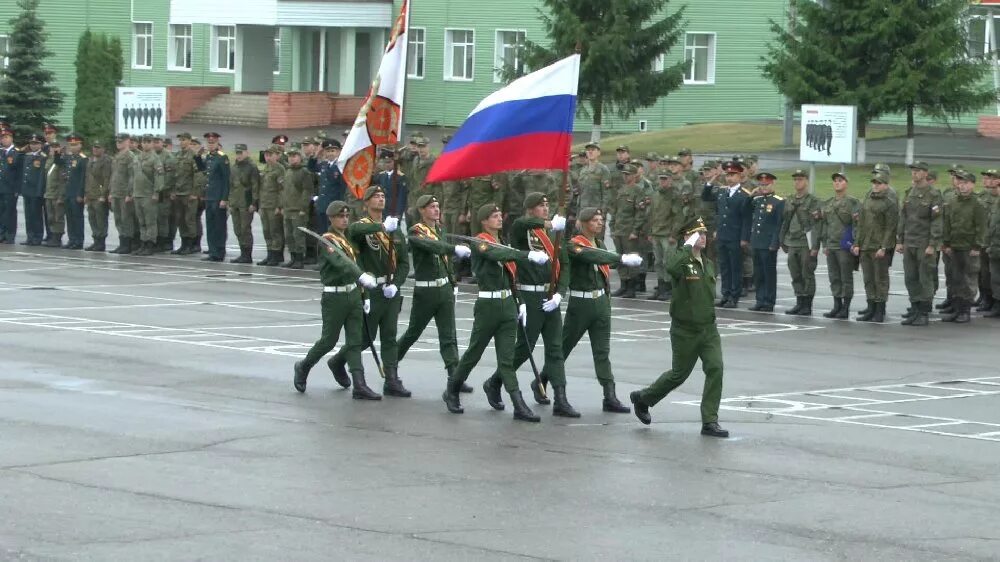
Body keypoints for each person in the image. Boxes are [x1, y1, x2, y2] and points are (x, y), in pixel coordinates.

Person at [443, 204, 552, 421]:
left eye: (500, 215)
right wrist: (527, 255)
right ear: (484, 221)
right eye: (494, 217)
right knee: (474, 353)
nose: (499, 219)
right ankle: (452, 389)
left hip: (507, 305)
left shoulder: (502, 242)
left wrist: (519, 301)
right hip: (488, 307)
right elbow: (495, 254)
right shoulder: (481, 242)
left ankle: (518, 404)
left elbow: (512, 277)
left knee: (506, 358)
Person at [630, 218, 729, 438]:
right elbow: (671, 268)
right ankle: (643, 398)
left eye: (704, 233)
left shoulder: (708, 263)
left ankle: (710, 421)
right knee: (679, 375)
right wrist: (686, 246)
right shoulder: (681, 260)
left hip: (708, 329)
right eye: (697, 233)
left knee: (716, 368)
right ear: (687, 237)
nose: (703, 237)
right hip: (685, 330)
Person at [483, 193, 578, 417]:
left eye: (547, 205)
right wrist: (548, 223)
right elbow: (520, 222)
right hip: (530, 296)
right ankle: (495, 381)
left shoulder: (554, 233)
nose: (545, 209)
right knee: (524, 348)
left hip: (550, 297)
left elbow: (564, 265)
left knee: (555, 349)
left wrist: (560, 294)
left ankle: (561, 399)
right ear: (530, 209)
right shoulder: (522, 229)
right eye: (540, 206)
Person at [327, 186, 411, 397]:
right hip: (371, 289)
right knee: (365, 337)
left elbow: (403, 263)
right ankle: (338, 361)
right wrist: (382, 227)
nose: (381, 199)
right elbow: (353, 232)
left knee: (390, 336)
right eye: (376, 196)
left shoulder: (395, 230)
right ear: (366, 203)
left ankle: (392, 379)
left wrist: (397, 283)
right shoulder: (361, 228)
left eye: (383, 196)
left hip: (390, 290)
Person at [555, 207, 641, 413]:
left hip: (600, 302)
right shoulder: (574, 244)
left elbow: (600, 257)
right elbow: (592, 256)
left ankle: (609, 395)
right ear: (584, 223)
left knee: (602, 351)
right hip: (581, 304)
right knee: (564, 348)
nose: (600, 223)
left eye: (601, 220)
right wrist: (620, 258)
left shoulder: (600, 243)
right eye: (595, 220)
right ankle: (543, 380)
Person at [293, 201, 381, 397]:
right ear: (331, 218)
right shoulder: (327, 241)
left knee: (355, 341)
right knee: (328, 341)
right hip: (335, 297)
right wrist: (361, 276)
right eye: (340, 216)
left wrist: (364, 295)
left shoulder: (347, 239)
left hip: (353, 294)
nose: (344, 220)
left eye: (346, 216)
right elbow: (341, 263)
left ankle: (360, 384)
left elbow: (355, 260)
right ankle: (304, 366)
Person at [396, 195, 474, 392]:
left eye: (438, 206)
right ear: (422, 210)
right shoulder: (416, 231)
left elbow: (444, 260)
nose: (436, 210)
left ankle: (454, 376)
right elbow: (434, 247)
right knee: (413, 332)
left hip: (444, 288)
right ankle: (390, 365)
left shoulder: (439, 229)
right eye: (431, 207)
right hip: (427, 290)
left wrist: (451, 280)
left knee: (449, 335)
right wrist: (454, 248)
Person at [896, 162, 944, 326]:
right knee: (911, 277)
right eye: (913, 171)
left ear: (925, 173)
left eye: (917, 171)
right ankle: (915, 309)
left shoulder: (934, 194)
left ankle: (923, 312)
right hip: (910, 242)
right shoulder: (909, 192)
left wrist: (932, 244)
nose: (914, 174)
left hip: (924, 243)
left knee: (925, 278)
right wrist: (900, 240)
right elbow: (904, 217)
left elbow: (937, 221)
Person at [940, 170, 987, 323]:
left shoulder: (978, 203)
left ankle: (965, 311)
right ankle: (957, 308)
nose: (963, 186)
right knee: (956, 278)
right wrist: (945, 243)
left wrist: (977, 246)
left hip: (969, 247)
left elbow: (981, 227)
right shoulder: (952, 201)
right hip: (954, 245)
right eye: (960, 182)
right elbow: (947, 223)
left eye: (966, 183)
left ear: (973, 184)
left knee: (968, 279)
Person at [703, 161, 751, 308]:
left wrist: (744, 238)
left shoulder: (744, 195)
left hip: (735, 236)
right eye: (728, 175)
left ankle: (734, 296)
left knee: (735, 267)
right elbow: (705, 196)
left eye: (733, 175)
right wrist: (711, 181)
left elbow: (746, 219)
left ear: (739, 176)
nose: (729, 178)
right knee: (724, 266)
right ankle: (725, 293)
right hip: (722, 235)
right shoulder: (722, 192)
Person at [852, 173, 899, 323]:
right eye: (874, 183)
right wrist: (857, 243)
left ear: (885, 185)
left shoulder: (889, 202)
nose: (876, 185)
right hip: (866, 246)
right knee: (868, 279)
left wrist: (884, 247)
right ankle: (870, 307)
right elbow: (861, 224)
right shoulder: (867, 200)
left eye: (879, 183)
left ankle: (880, 309)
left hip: (878, 247)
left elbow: (890, 228)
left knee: (881, 279)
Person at [818, 172, 861, 319]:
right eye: (835, 181)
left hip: (844, 246)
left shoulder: (852, 203)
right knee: (834, 277)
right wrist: (824, 244)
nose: (837, 183)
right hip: (831, 245)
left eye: (840, 180)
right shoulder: (828, 203)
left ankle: (845, 307)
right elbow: (825, 225)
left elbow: (857, 225)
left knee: (846, 278)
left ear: (846, 183)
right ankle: (836, 305)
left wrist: (856, 243)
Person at [779, 170, 821, 315]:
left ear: (806, 181)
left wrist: (815, 245)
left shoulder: (813, 201)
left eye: (800, 179)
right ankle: (799, 301)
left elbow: (817, 225)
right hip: (792, 241)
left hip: (805, 242)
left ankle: (807, 305)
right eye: (795, 179)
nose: (797, 182)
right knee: (795, 273)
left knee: (807, 273)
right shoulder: (790, 200)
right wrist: (782, 239)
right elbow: (785, 221)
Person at [644, 171, 689, 302]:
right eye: (661, 179)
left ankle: (670, 288)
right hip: (657, 233)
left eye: (665, 179)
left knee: (668, 262)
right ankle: (661, 287)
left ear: (670, 180)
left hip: (668, 234)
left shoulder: (674, 195)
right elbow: (652, 214)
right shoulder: (656, 194)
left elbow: (678, 217)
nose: (662, 181)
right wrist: (650, 232)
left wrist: (674, 234)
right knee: (658, 262)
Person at [748, 172, 783, 312]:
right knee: (758, 273)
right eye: (761, 185)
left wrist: (774, 243)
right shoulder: (756, 200)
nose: (763, 187)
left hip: (768, 244)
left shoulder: (778, 201)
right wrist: (751, 194)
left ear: (772, 184)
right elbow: (745, 209)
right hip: (757, 242)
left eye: (766, 184)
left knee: (768, 274)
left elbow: (778, 224)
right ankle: (760, 299)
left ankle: (769, 301)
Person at [610, 163, 647, 298]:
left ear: (634, 175)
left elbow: (640, 213)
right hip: (619, 230)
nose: (625, 177)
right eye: (624, 174)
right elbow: (615, 211)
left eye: (628, 174)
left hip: (629, 231)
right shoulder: (621, 190)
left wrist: (635, 230)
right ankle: (623, 284)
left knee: (631, 258)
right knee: (621, 258)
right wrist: (612, 227)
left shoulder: (638, 191)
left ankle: (631, 287)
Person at [195, 132, 231, 262]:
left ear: (217, 144)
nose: (210, 145)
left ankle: (219, 252)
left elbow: (226, 180)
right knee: (210, 225)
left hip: (218, 196)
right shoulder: (209, 157)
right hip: (209, 196)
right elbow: (202, 169)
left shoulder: (222, 158)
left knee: (219, 226)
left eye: (213, 143)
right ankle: (212, 251)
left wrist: (224, 198)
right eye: (208, 143)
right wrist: (198, 156)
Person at [279, 147, 315, 269]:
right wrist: (283, 205)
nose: (292, 158)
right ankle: (293, 257)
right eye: (290, 156)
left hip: (298, 209)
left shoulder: (304, 172)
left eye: (294, 156)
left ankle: (299, 258)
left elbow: (307, 191)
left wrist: (303, 208)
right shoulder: (288, 171)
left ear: (300, 157)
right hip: (288, 208)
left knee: (298, 234)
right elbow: (285, 190)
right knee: (288, 235)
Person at [132, 135, 164, 256]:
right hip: (137, 193)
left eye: (148, 142)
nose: (146, 144)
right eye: (144, 142)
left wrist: (156, 192)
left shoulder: (155, 159)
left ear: (152, 144)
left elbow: (159, 176)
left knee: (150, 221)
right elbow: (133, 176)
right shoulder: (137, 157)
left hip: (148, 194)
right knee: (141, 221)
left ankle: (150, 243)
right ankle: (143, 242)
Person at [228, 143, 260, 264]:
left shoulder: (251, 167)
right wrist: (230, 202)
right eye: (237, 153)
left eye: (241, 153)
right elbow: (231, 186)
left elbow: (255, 186)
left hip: (246, 203)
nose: (239, 155)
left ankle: (247, 254)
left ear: (246, 153)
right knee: (237, 229)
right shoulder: (234, 167)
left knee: (245, 228)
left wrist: (254, 202)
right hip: (235, 202)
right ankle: (242, 253)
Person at [257, 145, 286, 266]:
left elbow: (282, 189)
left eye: (270, 155)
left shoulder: (279, 169)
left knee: (275, 230)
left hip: (274, 204)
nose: (268, 157)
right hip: (264, 204)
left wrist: (279, 206)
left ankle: (276, 255)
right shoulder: (266, 168)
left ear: (276, 155)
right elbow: (262, 188)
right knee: (266, 230)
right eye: (266, 155)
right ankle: (269, 254)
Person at [108, 134, 137, 254]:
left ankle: (128, 244)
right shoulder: (117, 156)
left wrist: (129, 193)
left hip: (124, 193)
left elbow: (132, 176)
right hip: (116, 192)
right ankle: (122, 242)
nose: (118, 143)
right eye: (117, 141)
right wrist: (110, 192)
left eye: (121, 141)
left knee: (126, 219)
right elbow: (113, 176)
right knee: (118, 219)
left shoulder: (130, 156)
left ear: (127, 142)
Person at [84, 140, 112, 251]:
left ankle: (101, 241)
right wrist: (86, 193)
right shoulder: (90, 160)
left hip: (99, 195)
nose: (95, 149)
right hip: (91, 194)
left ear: (103, 149)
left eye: (98, 147)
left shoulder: (106, 161)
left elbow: (106, 179)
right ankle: (95, 240)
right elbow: (87, 178)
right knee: (92, 219)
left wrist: (103, 194)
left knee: (101, 220)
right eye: (94, 147)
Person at [19, 134, 46, 246]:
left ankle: (37, 236)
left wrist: (39, 191)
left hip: (36, 190)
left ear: (40, 145)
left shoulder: (43, 157)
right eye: (32, 143)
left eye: (36, 144)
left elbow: (41, 176)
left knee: (36, 215)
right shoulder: (28, 155)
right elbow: (24, 173)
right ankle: (30, 236)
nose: (33, 146)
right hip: (27, 190)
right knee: (28, 215)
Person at [62, 133, 88, 250]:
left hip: (76, 193)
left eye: (75, 145)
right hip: (68, 192)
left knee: (77, 217)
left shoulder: (83, 159)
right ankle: (71, 239)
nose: (73, 147)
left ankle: (78, 241)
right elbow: (59, 163)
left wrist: (80, 194)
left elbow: (83, 178)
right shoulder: (68, 157)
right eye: (71, 145)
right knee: (70, 217)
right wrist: (58, 152)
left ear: (80, 145)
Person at [0, 125, 21, 243]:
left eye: (6, 137)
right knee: (1, 211)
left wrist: (17, 189)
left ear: (11, 138)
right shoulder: (1, 152)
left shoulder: (17, 153)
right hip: (1, 187)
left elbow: (19, 173)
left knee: (10, 212)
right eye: (2, 137)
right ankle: (1, 233)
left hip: (10, 188)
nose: (4, 140)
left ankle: (10, 234)